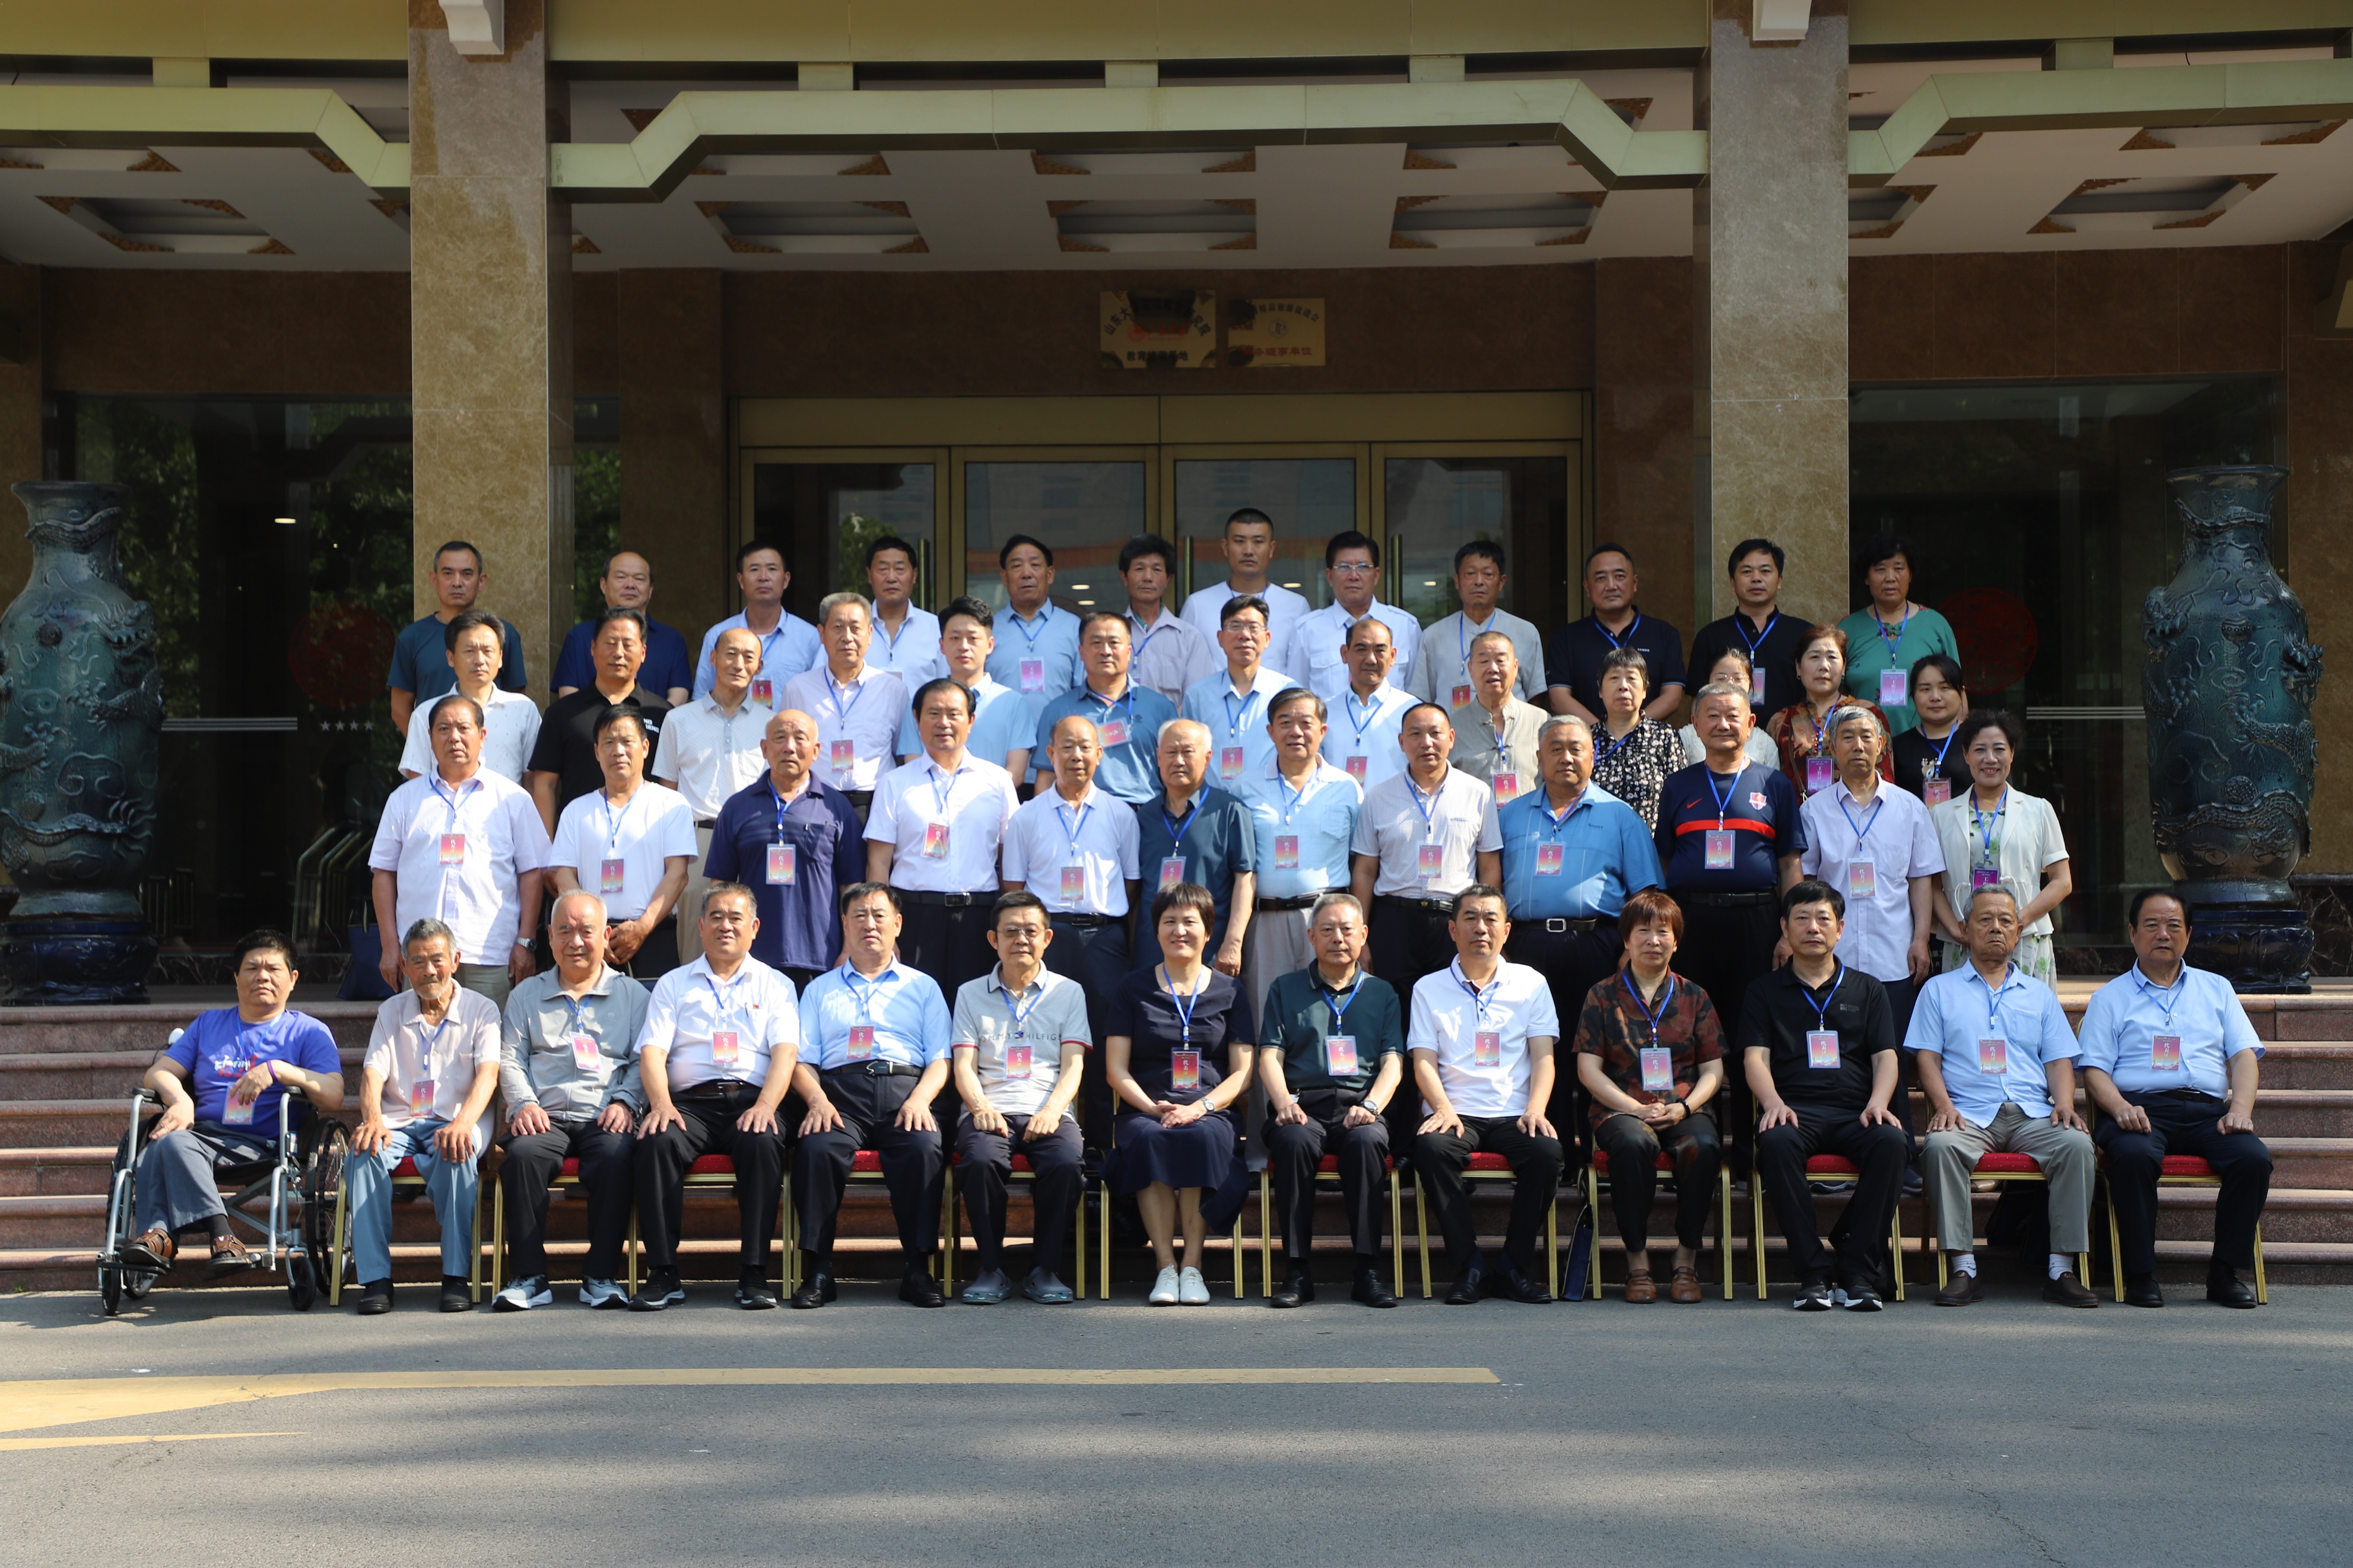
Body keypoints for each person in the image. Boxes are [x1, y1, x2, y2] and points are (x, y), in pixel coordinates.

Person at [2077, 890, 2272, 1309]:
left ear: (2188, 934)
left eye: (2173, 926)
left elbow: (2243, 1055)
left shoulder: (2216, 989)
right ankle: (2140, 1274)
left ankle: (2224, 1273)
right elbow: (2093, 1069)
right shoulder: (2109, 997)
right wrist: (2120, 1108)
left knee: (2252, 1159)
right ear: (2132, 933)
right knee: (2132, 1156)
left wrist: (2239, 1110)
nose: (2162, 934)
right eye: (2151, 925)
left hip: (2207, 1112)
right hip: (2139, 1110)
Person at [1907, 886, 2098, 1309]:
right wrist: (1944, 1106)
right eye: (1985, 919)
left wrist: (2064, 1104)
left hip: (2033, 1113)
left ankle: (2061, 1269)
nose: (1996, 928)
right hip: (1967, 1113)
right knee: (1940, 1146)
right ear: (1964, 929)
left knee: (2075, 1144)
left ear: (2018, 932)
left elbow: (2058, 1060)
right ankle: (1963, 1268)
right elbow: (1927, 1059)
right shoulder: (1938, 990)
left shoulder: (2039, 994)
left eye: (2006, 921)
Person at [120, 930, 343, 1279]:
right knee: (163, 1139)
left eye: (273, 969)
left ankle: (169, 1236)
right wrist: (180, 1100)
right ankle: (207, 1238)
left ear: (293, 979)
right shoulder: (209, 1024)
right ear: (236, 977)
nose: (262, 976)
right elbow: (158, 1073)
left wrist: (279, 1070)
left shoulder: (308, 1031)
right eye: (252, 968)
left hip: (266, 1144)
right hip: (204, 1137)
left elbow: (333, 1094)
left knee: (167, 1143)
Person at [628, 883, 802, 1311]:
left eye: (736, 918)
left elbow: (786, 1053)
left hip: (753, 1100)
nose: (726, 926)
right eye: (717, 917)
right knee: (656, 1141)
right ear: (701, 925)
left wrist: (766, 1106)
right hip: (689, 1105)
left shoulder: (776, 985)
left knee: (763, 1141)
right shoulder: (673, 984)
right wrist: (661, 1104)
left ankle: (754, 1273)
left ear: (754, 928)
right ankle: (663, 1272)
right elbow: (652, 1052)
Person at [1742, 881, 1909, 1311]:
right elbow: (1755, 1058)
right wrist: (1773, 1103)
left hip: (1856, 1111)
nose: (1812, 928)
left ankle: (1857, 1271)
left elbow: (1886, 1057)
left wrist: (1878, 1102)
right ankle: (1813, 1273)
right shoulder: (1763, 991)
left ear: (1840, 928)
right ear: (1784, 928)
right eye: (1801, 918)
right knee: (1775, 1143)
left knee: (1892, 1143)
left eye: (1823, 919)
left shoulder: (1868, 989)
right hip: (1795, 1111)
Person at [1655, 681, 1805, 1154]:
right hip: (1691, 922)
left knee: (1748, 1035)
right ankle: (1694, 1147)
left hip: (1755, 921)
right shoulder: (1677, 785)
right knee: (1688, 1031)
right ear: (1695, 725)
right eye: (1712, 716)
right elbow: (1664, 860)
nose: (1722, 724)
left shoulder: (1774, 784)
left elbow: (1789, 865)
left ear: (1750, 724)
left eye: (1732, 715)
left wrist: (1788, 932)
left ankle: (1746, 1149)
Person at [789, 883, 955, 1309]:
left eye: (879, 915)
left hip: (906, 1093)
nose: (869, 924)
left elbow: (941, 1058)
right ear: (844, 924)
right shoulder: (819, 989)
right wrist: (817, 1101)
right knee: (817, 1149)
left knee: (923, 1148)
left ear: (898, 924)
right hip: (839, 1096)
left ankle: (918, 1268)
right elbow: (801, 1060)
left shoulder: (923, 987)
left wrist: (920, 1100)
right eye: (859, 915)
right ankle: (818, 1269)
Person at [1497, 714, 1661, 1138]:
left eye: (1576, 749)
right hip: (1526, 948)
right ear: (1539, 757)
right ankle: (1546, 1149)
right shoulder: (1510, 816)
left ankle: (1597, 1147)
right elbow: (1491, 886)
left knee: (1596, 1046)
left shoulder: (1620, 816)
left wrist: (1628, 949)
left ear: (1592, 755)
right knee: (1537, 1047)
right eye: (1556, 749)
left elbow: (1646, 895)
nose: (1566, 758)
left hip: (1597, 945)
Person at [491, 890, 650, 1312]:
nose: (575, 941)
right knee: (522, 1157)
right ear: (549, 936)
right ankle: (529, 1278)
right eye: (564, 931)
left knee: (617, 1156)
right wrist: (524, 1103)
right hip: (544, 1115)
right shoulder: (526, 995)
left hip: (605, 1114)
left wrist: (625, 1102)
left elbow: (644, 1060)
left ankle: (601, 1277)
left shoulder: (633, 995)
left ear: (606, 935)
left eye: (586, 931)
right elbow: (510, 1058)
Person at [1408, 884, 1562, 1306]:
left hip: (1514, 1112)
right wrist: (1442, 1108)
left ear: (1506, 930)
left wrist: (1535, 1109)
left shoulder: (1531, 983)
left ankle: (1513, 1267)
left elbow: (1543, 1057)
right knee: (1432, 1148)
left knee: (1546, 1153)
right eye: (1471, 918)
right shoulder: (1428, 988)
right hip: (1456, 1112)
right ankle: (1470, 1265)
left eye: (1491, 919)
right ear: (1452, 929)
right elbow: (1423, 1060)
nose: (1481, 928)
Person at [1105, 882, 1256, 1306]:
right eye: (1169, 921)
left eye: (1190, 921)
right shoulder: (1132, 987)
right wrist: (1152, 1108)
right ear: (1156, 931)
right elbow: (1116, 1069)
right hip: (1146, 1107)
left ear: (1208, 931)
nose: (1179, 930)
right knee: (1149, 1138)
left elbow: (1243, 1072)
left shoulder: (1230, 991)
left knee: (1199, 1136)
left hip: (1211, 1109)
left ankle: (1192, 1266)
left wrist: (1200, 1107)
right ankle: (1165, 1266)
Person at [1572, 889, 1725, 1304]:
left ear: (1676, 941)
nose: (1653, 940)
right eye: (1643, 931)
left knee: (1703, 1145)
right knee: (1632, 1143)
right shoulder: (1601, 995)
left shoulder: (1694, 996)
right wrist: (1635, 1109)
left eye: (1663, 932)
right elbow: (1588, 1069)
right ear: (1626, 939)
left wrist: (1685, 1107)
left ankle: (1685, 1259)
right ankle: (1637, 1261)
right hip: (1620, 1108)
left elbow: (1713, 1070)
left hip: (1683, 1105)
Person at [345, 918, 503, 1315]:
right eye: (418, 961)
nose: (429, 970)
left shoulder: (482, 1010)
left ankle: (456, 1276)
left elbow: (488, 1075)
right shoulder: (391, 1010)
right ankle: (376, 1279)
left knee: (457, 1151)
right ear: (404, 965)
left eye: (437, 959)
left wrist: (464, 1123)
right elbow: (372, 1074)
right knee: (363, 1151)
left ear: (456, 960)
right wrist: (373, 1119)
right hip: (398, 1122)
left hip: (455, 1120)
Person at [1258, 892, 1405, 1309]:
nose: (1337, 938)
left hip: (1360, 1106)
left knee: (1367, 1143)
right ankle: (1296, 1272)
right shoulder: (1285, 988)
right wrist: (1283, 1102)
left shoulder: (1382, 993)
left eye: (1346, 929)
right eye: (1327, 929)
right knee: (1292, 1141)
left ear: (1364, 934)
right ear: (1311, 936)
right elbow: (1268, 1055)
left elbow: (1393, 1063)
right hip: (1302, 1105)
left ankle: (1368, 1271)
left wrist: (1372, 1106)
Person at [1002, 713, 1140, 1147]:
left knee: (1099, 1042)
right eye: (1067, 746)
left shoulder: (1121, 814)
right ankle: (1042, 1138)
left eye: (1085, 747)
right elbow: (1014, 889)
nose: (1076, 755)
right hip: (1048, 940)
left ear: (1099, 754)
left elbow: (1131, 883)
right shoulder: (1026, 817)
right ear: (1050, 753)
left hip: (1103, 940)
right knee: (1043, 1036)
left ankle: (1099, 1149)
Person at [948, 892, 1088, 1305]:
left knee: (1066, 1163)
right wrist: (980, 1108)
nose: (1021, 939)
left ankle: (1044, 1269)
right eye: (1011, 931)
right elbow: (963, 1065)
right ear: (994, 939)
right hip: (989, 1108)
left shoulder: (1069, 992)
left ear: (1047, 938)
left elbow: (1074, 1064)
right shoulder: (970, 993)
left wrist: (1053, 1110)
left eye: (1031, 931)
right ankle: (991, 1268)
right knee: (979, 1161)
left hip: (1050, 1109)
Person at [1349, 703, 1504, 1076]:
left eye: (1435, 733)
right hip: (1395, 922)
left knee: (1456, 1014)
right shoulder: (1378, 797)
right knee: (1397, 1021)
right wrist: (1361, 936)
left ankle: (1452, 1104)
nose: (1427, 743)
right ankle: (1401, 1108)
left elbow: (1489, 868)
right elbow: (1365, 872)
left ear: (1451, 738)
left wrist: (1488, 925)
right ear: (1401, 742)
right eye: (1416, 734)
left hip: (1455, 922)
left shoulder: (1478, 793)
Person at [369, 695, 550, 1007]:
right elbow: (383, 874)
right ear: (430, 738)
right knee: (421, 1035)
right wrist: (389, 945)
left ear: (482, 736)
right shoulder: (403, 799)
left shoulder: (512, 799)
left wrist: (525, 941)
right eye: (444, 729)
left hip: (491, 955)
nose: (454, 737)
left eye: (463, 728)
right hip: (421, 955)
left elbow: (532, 873)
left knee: (490, 1036)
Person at [867, 676, 1020, 1000]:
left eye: (954, 714)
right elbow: (879, 862)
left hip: (979, 917)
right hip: (915, 916)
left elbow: (1011, 859)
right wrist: (884, 925)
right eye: (934, 714)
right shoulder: (895, 783)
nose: (944, 723)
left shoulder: (997, 781)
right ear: (917, 719)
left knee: (977, 1009)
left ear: (971, 721)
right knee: (912, 1007)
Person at [1799, 705, 1941, 1036]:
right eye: (1847, 737)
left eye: (1866, 737)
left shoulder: (1910, 808)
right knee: (1838, 1054)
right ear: (1832, 748)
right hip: (1834, 957)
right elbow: (1806, 882)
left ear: (1881, 745)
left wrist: (1921, 940)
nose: (1858, 746)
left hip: (1895, 957)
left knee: (1892, 1050)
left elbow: (1921, 881)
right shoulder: (1813, 811)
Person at [703, 708, 866, 991]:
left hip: (822, 959)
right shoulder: (737, 808)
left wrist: (849, 949)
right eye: (780, 738)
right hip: (751, 961)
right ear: (765, 749)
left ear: (816, 751)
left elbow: (851, 888)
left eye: (800, 738)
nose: (789, 747)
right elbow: (720, 888)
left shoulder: (836, 808)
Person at [1236, 688, 1363, 1032]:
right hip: (1267, 920)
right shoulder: (1245, 788)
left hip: (1326, 920)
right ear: (1270, 731)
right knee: (1265, 1015)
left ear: (1323, 731)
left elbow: (1360, 861)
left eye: (1306, 723)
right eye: (1285, 723)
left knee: (1329, 1016)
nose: (1296, 732)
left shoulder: (1347, 787)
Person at [652, 626, 770, 963]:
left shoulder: (771, 723)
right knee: (695, 939)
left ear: (759, 667)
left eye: (748, 657)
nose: (739, 663)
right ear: (713, 658)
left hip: (753, 840)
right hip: (697, 842)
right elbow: (666, 793)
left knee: (752, 936)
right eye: (730, 654)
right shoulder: (678, 720)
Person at [1926, 711, 2071, 986]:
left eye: (1999, 749)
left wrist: (2018, 922)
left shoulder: (2039, 810)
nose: (1990, 759)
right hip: (1964, 943)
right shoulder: (1941, 815)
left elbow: (2062, 881)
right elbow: (1932, 885)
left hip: (2024, 938)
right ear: (1966, 754)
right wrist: (1954, 929)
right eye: (1980, 750)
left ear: (2012, 753)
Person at [548, 708, 696, 977]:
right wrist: (592, 931)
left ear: (645, 747)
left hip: (654, 934)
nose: (618, 751)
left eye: (627, 742)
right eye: (609, 743)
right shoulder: (576, 811)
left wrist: (643, 927)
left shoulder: (671, 805)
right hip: (592, 943)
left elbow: (678, 874)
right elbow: (565, 876)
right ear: (597, 752)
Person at [529, 606, 674, 832]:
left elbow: (669, 783)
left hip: (647, 837)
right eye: (610, 643)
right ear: (593, 648)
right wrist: (547, 846)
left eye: (628, 644)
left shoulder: (663, 714)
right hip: (579, 837)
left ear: (643, 652)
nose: (619, 653)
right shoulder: (562, 713)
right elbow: (545, 783)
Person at [1133, 718, 1257, 974]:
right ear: (1159, 757)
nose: (1179, 761)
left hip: (1210, 953)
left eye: (1188, 752)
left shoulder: (1230, 811)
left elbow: (1245, 880)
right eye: (1171, 752)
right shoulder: (1144, 817)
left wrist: (1233, 943)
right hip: (1152, 953)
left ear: (1208, 758)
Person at [1023, 610, 1177, 803]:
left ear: (1129, 652)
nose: (1106, 651)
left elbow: (1175, 774)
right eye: (1096, 643)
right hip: (1080, 813)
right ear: (1081, 652)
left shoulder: (1160, 708)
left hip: (1145, 813)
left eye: (1114, 643)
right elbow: (1046, 779)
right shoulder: (1058, 710)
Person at [781, 591, 911, 818]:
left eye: (855, 628)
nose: (847, 637)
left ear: (870, 634)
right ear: (822, 634)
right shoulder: (798, 688)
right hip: (815, 802)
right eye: (838, 627)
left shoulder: (893, 689)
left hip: (875, 804)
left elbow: (902, 755)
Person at [386, 539, 527, 733]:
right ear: (434, 580)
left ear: (481, 581)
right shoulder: (412, 638)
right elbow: (400, 709)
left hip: (494, 747)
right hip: (434, 749)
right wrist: (430, 746)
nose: (457, 582)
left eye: (467, 574)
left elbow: (515, 702)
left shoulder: (503, 634)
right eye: (448, 573)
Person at [396, 609, 541, 783]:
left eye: (488, 651)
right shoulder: (425, 714)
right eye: (469, 651)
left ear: (500, 658)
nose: (479, 660)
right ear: (451, 658)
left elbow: (533, 782)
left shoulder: (524, 710)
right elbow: (416, 786)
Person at [1545, 543, 1685, 723]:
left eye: (1619, 576)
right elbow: (1559, 699)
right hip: (1587, 738)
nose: (1611, 586)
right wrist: (1602, 733)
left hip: (1649, 737)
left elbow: (1673, 696)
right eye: (1601, 578)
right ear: (1587, 588)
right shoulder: (1565, 638)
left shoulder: (1664, 634)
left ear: (1635, 583)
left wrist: (1635, 730)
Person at [1838, 534, 1960, 736]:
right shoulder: (1848, 629)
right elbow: (1835, 695)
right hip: (1864, 746)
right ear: (1866, 577)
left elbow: (1957, 691)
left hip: (1927, 745)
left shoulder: (1936, 625)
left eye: (1899, 568)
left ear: (1911, 574)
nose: (1890, 578)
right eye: (1880, 569)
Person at [896, 596, 1033, 771]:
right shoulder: (921, 702)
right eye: (955, 638)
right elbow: (912, 767)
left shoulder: (1013, 703)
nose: (964, 647)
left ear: (990, 645)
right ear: (942, 645)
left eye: (973, 638)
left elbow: (1016, 772)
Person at [1284, 530, 1420, 703]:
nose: (1353, 576)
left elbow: (1415, 695)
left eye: (1363, 567)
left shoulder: (1405, 626)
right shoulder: (1307, 630)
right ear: (1329, 576)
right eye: (1344, 567)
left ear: (1376, 575)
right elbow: (1296, 697)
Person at [1764, 624, 1892, 803]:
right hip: (1797, 817)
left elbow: (1886, 783)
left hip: (1857, 815)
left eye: (1832, 657)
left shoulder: (1868, 715)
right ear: (1798, 667)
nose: (1824, 666)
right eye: (1814, 657)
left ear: (1844, 667)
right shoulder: (1781, 720)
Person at [1687, 538, 1811, 721]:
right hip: (1726, 734)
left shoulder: (1804, 634)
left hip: (1790, 735)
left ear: (1780, 581)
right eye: (1747, 572)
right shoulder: (1710, 636)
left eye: (1765, 571)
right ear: (1732, 582)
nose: (1756, 578)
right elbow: (1698, 700)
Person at [1414, 540, 1546, 711]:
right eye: (1470, 574)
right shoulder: (1434, 635)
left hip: (1510, 727)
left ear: (1502, 582)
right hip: (1452, 728)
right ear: (1457, 581)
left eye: (1488, 574)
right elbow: (1421, 698)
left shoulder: (1525, 632)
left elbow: (1536, 695)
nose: (1479, 581)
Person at [1182, 594, 1293, 792]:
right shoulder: (1198, 696)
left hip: (1270, 800)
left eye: (1253, 627)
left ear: (1267, 639)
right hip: (1212, 801)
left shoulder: (1288, 693)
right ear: (1220, 638)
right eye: (1235, 626)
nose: (1245, 635)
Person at [1180, 507, 1310, 675]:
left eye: (1258, 542)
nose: (1249, 551)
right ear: (1225, 547)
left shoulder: (1296, 606)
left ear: (1271, 549)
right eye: (1240, 541)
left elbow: (1302, 671)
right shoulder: (1197, 605)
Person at [554, 550, 693, 705]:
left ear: (650, 590)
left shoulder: (672, 640)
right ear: (603, 585)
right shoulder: (578, 637)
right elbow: (568, 694)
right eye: (621, 577)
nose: (630, 585)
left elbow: (679, 695)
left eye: (639, 579)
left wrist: (655, 718)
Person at [693, 539, 822, 704]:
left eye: (772, 569)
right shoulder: (718, 635)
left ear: (786, 580)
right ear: (741, 581)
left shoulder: (810, 637)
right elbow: (702, 699)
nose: (763, 577)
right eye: (754, 569)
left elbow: (819, 698)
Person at [1586, 647, 1685, 830]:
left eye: (1632, 678)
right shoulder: (1586, 739)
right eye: (1614, 678)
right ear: (1600, 689)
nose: (1623, 686)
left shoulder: (1665, 737)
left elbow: (1681, 798)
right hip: (1596, 842)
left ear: (1645, 689)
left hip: (1650, 844)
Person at [987, 535, 1082, 724]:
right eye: (1017, 566)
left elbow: (1085, 691)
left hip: (1060, 738)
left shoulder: (1074, 627)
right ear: (1004, 577)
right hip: (1002, 737)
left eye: (1035, 565)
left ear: (1050, 574)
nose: (1026, 574)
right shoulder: (988, 630)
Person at [1447, 631, 1548, 808]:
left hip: (1529, 821)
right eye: (1484, 661)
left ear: (1515, 667)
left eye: (1501, 660)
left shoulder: (1541, 721)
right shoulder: (1452, 727)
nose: (1493, 668)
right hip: (1474, 822)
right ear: (1470, 669)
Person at [1120, 535, 1220, 705]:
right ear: (1124, 577)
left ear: (1168, 579)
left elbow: (1198, 701)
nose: (1148, 577)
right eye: (1139, 569)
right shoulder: (1110, 636)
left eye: (1157, 570)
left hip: (1172, 722)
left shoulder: (1189, 638)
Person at [1323, 617, 1416, 790]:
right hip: (1336, 806)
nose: (1371, 659)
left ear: (1393, 656)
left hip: (1393, 805)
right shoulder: (1324, 712)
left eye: (1380, 651)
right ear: (1345, 654)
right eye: (1361, 650)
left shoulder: (1411, 711)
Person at [1676, 647, 1780, 771]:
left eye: (1738, 679)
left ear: (1750, 685)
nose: (1730, 684)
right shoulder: (1685, 737)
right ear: (1707, 682)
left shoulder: (1766, 744)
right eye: (1721, 678)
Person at [1891, 653, 1971, 807]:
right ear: (1913, 695)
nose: (1935, 697)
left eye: (1944, 688)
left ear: (1961, 693)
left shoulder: (1977, 740)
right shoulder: (1897, 747)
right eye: (1926, 689)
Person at [862, 535, 941, 683]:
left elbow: (949, 686)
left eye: (900, 569)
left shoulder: (935, 628)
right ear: (870, 575)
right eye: (883, 569)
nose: (892, 578)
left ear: (914, 575)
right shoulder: (851, 629)